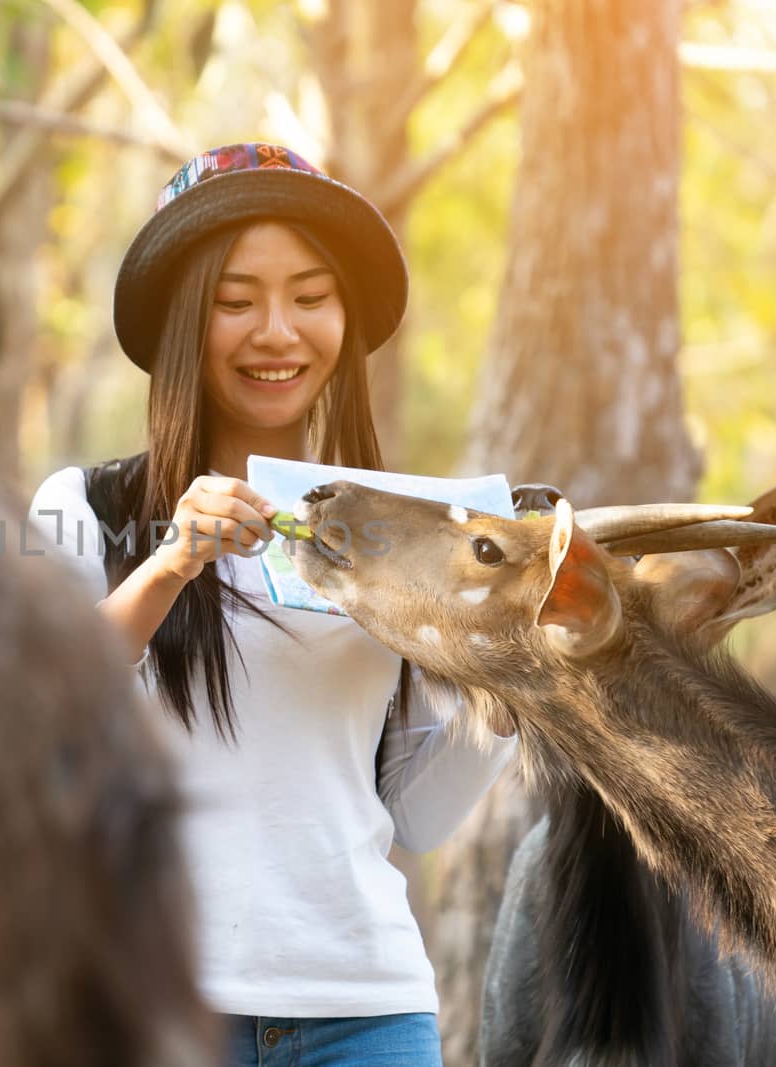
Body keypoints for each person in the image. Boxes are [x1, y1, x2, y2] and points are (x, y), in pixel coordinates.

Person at [29, 142, 516, 1067]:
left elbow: (419, 815)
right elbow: (43, 719)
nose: (278, 331)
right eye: (235, 300)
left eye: (310, 296)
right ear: (184, 319)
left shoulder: (406, 534)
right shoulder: (86, 511)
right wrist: (172, 561)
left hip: (367, 1011)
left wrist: (512, 679)